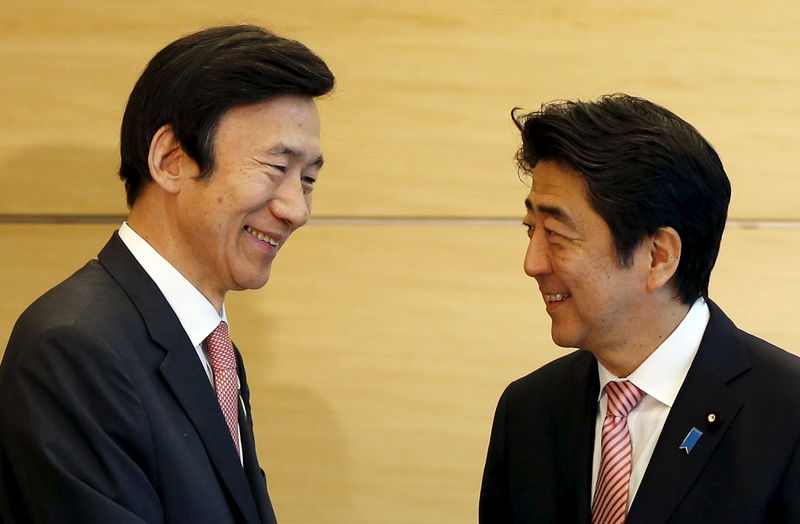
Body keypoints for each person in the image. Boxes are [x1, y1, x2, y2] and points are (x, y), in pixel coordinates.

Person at [0, 24, 334, 523]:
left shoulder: (210, 348)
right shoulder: (75, 346)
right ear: (171, 160)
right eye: (274, 167)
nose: (296, 209)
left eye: (306, 180)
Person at [479, 94, 800, 523]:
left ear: (658, 256)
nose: (532, 263)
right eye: (530, 230)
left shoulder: (788, 414)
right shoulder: (528, 410)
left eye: (555, 233)